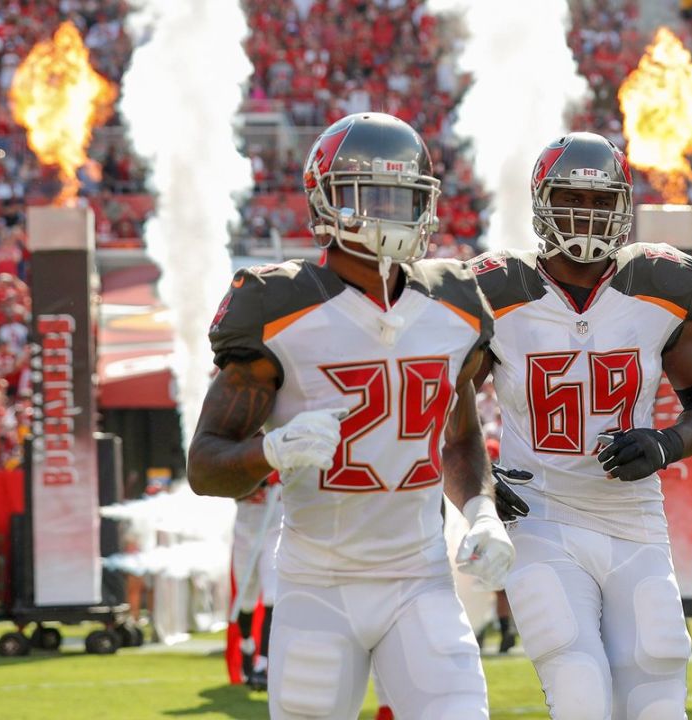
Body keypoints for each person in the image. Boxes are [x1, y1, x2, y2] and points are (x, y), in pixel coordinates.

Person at [187, 112, 513, 720]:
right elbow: (205, 467)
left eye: (402, 195)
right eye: (372, 195)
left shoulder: (456, 304)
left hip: (420, 578)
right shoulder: (277, 305)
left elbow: (461, 439)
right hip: (316, 585)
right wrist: (272, 451)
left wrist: (482, 512)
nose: (390, 211)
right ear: (326, 200)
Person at [469, 131, 692, 719]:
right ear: (541, 201)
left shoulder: (660, 286)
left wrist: (665, 443)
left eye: (599, 201)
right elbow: (437, 403)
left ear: (622, 207)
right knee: (579, 689)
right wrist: (475, 482)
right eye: (570, 198)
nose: (585, 215)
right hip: (539, 514)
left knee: (659, 691)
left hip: (632, 517)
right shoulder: (495, 289)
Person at [231, 474, 283, 691]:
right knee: (246, 600)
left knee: (272, 595)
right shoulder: (239, 443)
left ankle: (263, 664)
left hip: (273, 525)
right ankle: (247, 645)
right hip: (245, 528)